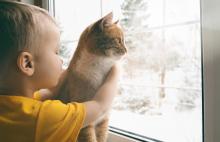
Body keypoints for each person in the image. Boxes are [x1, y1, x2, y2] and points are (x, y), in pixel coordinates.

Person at [0, 1, 120, 142]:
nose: (61, 59)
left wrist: (74, 66)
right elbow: (99, 106)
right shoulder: (42, 118)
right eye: (56, 52)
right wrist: (115, 71)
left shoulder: (12, 104)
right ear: (27, 63)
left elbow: (51, 92)